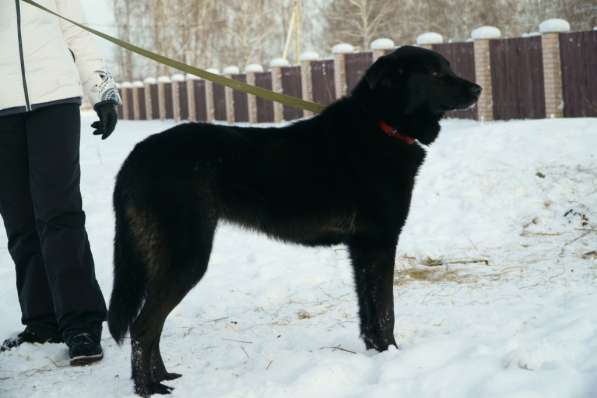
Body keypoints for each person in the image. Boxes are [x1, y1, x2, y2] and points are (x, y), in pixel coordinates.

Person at [0, 0, 120, 366]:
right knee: (19, 219)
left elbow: (77, 31)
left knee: (59, 212)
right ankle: (41, 322)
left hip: (55, 101)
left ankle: (81, 323)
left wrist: (102, 91)